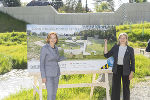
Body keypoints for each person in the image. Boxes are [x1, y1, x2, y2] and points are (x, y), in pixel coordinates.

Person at [104, 33, 135, 100]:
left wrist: (132, 72)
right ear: (119, 39)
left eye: (124, 38)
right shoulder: (115, 47)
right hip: (116, 69)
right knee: (115, 88)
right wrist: (105, 44)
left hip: (126, 70)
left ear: (126, 39)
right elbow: (106, 55)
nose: (122, 39)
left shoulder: (130, 49)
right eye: (121, 38)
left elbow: (133, 61)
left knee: (126, 88)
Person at [40, 32, 65, 100]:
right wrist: (43, 76)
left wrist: (66, 56)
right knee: (50, 95)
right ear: (48, 39)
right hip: (48, 76)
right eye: (51, 38)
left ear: (56, 39)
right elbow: (41, 63)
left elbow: (56, 59)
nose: (53, 39)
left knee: (54, 94)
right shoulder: (44, 48)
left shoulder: (56, 48)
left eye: (54, 38)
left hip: (56, 74)